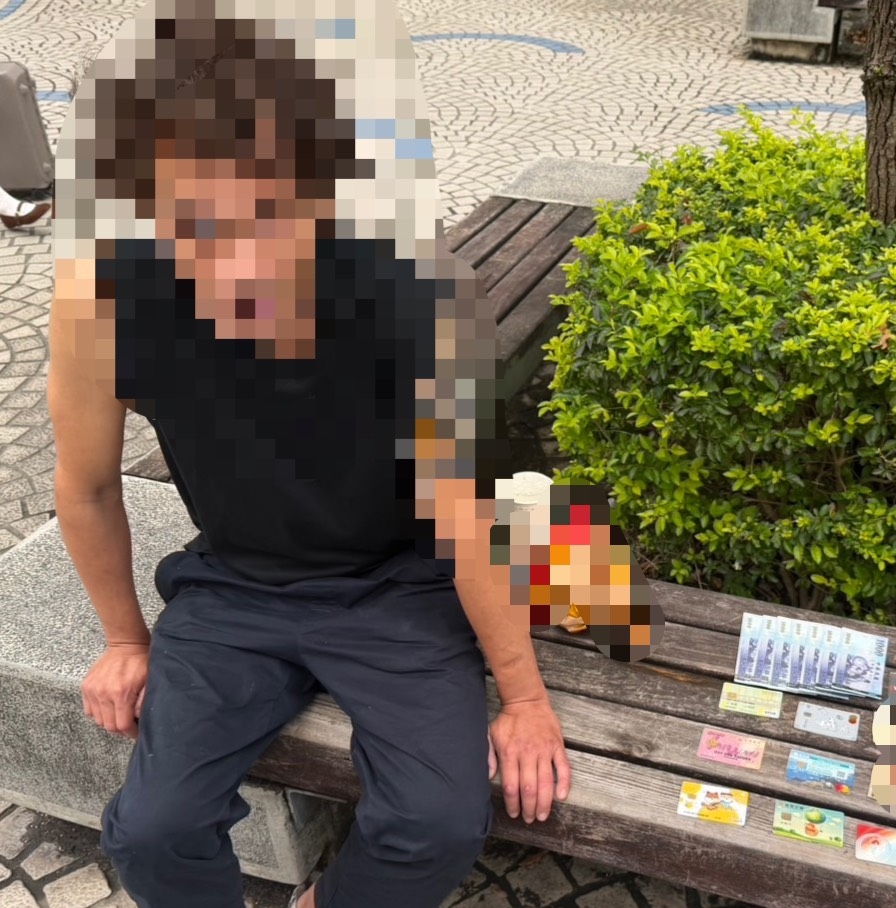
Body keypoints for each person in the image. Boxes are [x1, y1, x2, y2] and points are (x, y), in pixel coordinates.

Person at [49, 16, 576, 908]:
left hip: (397, 583)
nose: (230, 256)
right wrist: (124, 638)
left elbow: (467, 514)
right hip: (234, 587)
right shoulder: (100, 298)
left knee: (437, 824)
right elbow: (88, 484)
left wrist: (524, 699)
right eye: (186, 222)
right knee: (151, 831)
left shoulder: (415, 293)